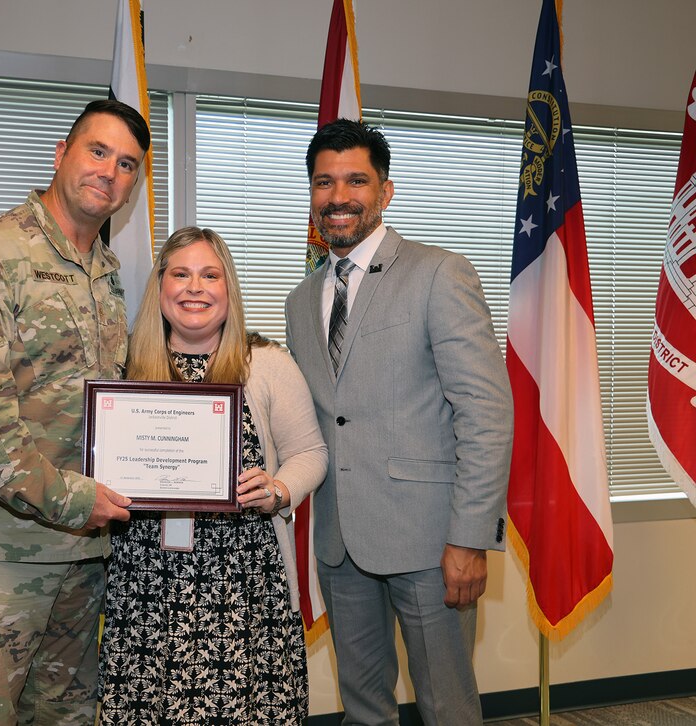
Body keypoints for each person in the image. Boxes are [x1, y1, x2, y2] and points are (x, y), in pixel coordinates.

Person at [0, 99, 150, 725]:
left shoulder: (103, 272)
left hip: (78, 558)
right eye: (97, 151)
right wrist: (77, 501)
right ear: (60, 155)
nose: (109, 171)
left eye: (127, 164)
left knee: (69, 717)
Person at [284, 119, 514, 725]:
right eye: (324, 182)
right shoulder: (301, 300)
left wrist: (469, 538)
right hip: (338, 543)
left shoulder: (439, 273)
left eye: (356, 180)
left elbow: (486, 412)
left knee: (448, 708)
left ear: (385, 191)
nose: (338, 197)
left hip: (431, 542)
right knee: (363, 708)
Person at [98, 226, 328, 725]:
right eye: (180, 274)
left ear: (229, 289)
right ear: (160, 287)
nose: (194, 288)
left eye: (210, 275)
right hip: (147, 591)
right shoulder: (126, 368)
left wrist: (279, 489)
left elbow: (310, 452)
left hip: (244, 589)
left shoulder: (265, 364)